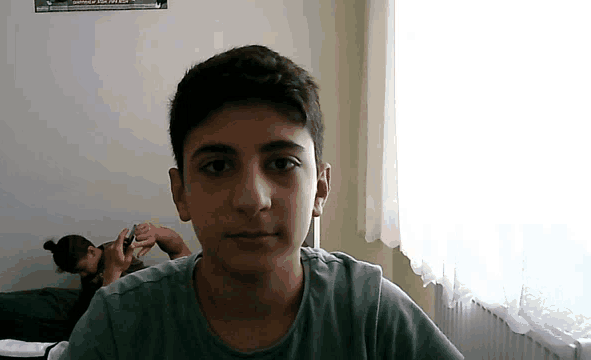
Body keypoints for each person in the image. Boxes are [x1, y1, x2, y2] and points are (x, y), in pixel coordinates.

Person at [64, 45, 464, 359]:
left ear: (320, 189)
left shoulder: (371, 314)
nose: (251, 199)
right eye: (218, 166)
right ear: (180, 192)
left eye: (281, 162)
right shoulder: (117, 323)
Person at [44, 222, 191, 333]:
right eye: (76, 273)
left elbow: (178, 250)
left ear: (92, 251)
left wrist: (113, 270)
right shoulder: (93, 273)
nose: (82, 275)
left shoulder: (116, 253)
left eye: (81, 269)